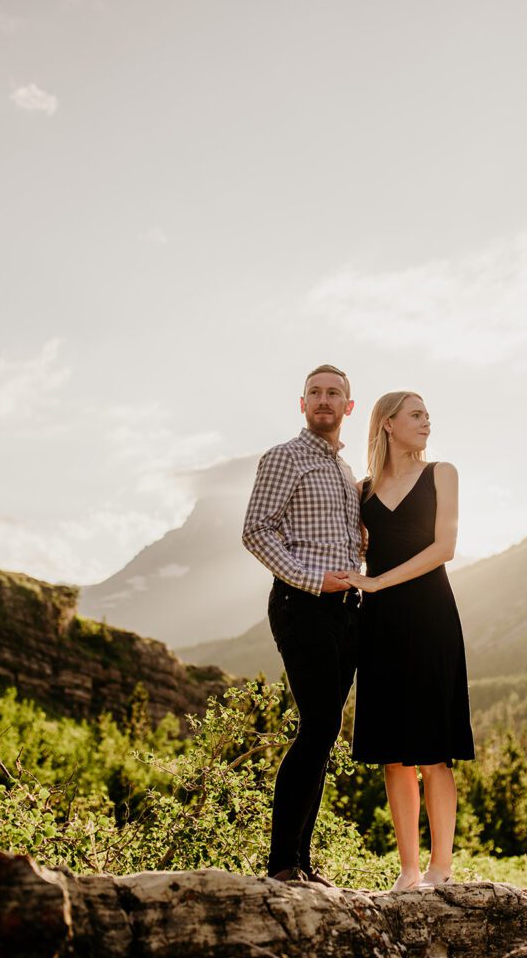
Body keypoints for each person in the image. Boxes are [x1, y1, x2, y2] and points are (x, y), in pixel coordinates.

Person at [346, 391, 475, 890]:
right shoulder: (362, 490)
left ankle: (440, 868)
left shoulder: (442, 473)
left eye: (428, 415)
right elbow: (353, 548)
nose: (427, 422)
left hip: (430, 618)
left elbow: (445, 547)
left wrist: (377, 581)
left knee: (433, 752)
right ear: (387, 424)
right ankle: (407, 871)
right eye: (416, 414)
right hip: (380, 625)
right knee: (393, 754)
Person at [242, 364, 361, 885]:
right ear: (302, 403)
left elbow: (343, 538)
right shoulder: (284, 457)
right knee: (316, 726)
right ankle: (282, 865)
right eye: (315, 393)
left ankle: (302, 864)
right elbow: (256, 531)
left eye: (334, 393)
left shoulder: (342, 470)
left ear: (348, 408)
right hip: (301, 604)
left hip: (345, 614)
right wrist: (315, 580)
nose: (323, 400)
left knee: (326, 731)